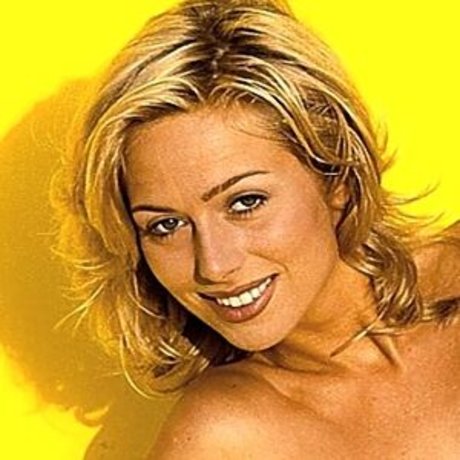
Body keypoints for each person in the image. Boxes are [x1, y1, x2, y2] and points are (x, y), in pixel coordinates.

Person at [51, 0, 460, 457]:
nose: (214, 266)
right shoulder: (223, 438)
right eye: (166, 225)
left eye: (245, 202)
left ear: (337, 178)